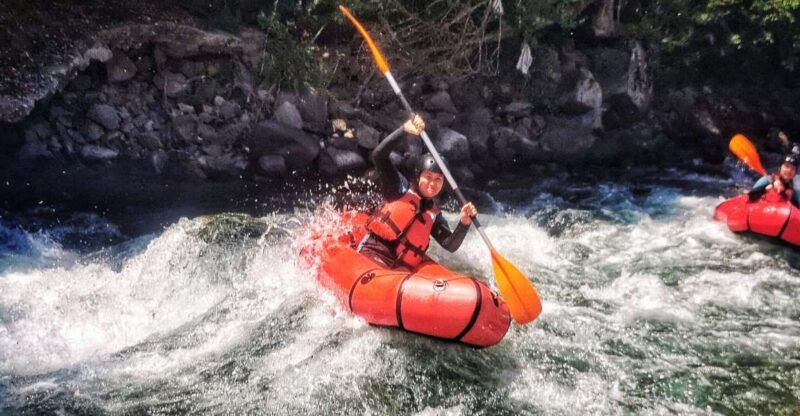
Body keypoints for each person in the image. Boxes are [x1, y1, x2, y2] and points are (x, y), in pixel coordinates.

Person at [357, 114, 478, 269]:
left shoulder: (434, 215)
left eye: (438, 179)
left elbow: (450, 245)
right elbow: (379, 156)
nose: (432, 183)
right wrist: (403, 131)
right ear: (418, 176)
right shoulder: (397, 188)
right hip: (375, 255)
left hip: (401, 269)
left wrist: (464, 223)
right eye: (428, 177)